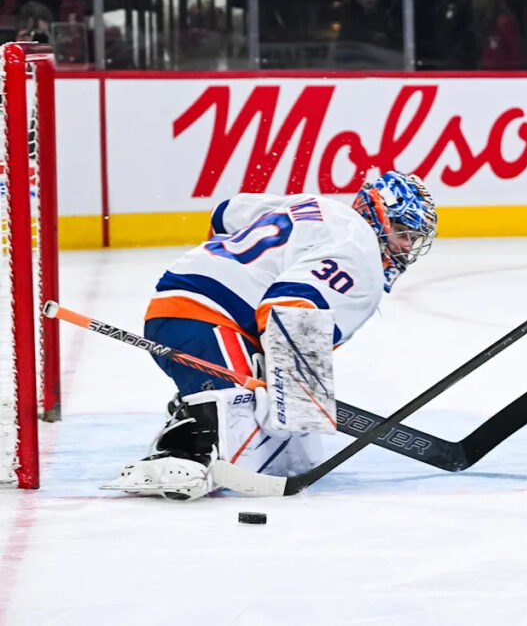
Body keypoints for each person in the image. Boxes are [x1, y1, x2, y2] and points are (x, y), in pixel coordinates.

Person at [105, 172, 438, 500]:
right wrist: (296, 401)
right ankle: (188, 449)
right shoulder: (360, 255)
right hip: (209, 322)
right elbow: (291, 306)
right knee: (261, 446)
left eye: (414, 236)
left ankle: (196, 410)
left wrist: (222, 266)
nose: (408, 245)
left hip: (184, 309)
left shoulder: (316, 207)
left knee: (300, 456)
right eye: (401, 231)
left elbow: (227, 212)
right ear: (376, 216)